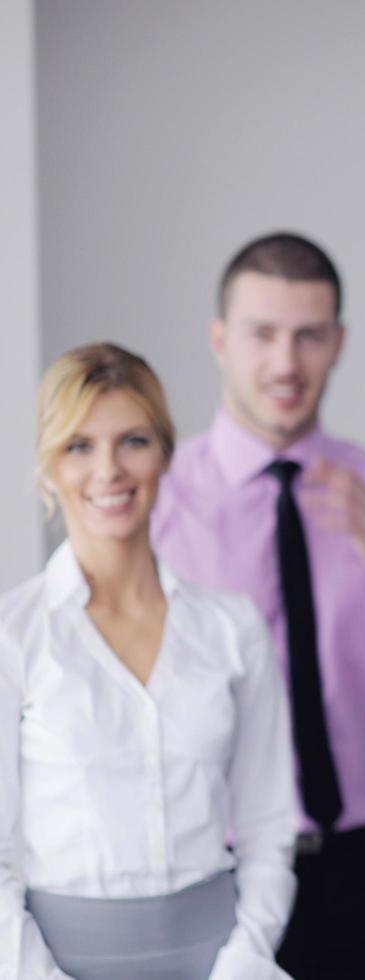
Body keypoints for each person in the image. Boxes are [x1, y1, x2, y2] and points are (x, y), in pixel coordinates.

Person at [151, 233, 365, 979]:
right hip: (207, 875)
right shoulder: (158, 501)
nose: (286, 364)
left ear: (339, 342)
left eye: (309, 336)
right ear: (220, 340)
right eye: (263, 335)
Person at [0, 343, 297, 979]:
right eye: (79, 445)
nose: (108, 469)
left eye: (132, 440)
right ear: (49, 467)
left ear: (165, 453)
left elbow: (269, 829)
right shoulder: (12, 636)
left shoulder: (232, 628)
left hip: (221, 961)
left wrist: (242, 962)